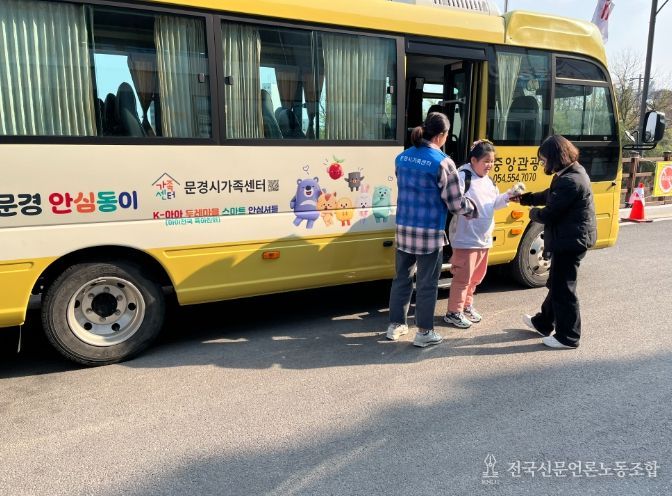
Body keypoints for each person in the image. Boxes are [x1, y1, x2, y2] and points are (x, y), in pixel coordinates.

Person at [386, 112, 477, 347]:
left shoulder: (402, 158)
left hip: (404, 228)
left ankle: (396, 325)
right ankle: (424, 332)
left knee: (402, 278)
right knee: (427, 283)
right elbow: (455, 204)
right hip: (429, 232)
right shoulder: (443, 162)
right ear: (441, 135)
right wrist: (473, 208)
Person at [511, 135, 597, 349]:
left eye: (544, 160)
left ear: (556, 158)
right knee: (557, 284)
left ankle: (568, 337)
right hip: (570, 237)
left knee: (564, 289)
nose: (542, 164)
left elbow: (549, 213)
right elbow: (551, 195)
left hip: (571, 241)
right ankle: (543, 323)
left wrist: (531, 212)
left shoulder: (570, 180)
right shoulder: (571, 172)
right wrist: (527, 198)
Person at [443, 139, 523, 329]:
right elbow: (454, 202)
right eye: (486, 161)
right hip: (465, 238)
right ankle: (453, 312)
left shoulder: (489, 181)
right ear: (473, 160)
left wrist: (508, 196)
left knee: (476, 277)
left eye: (492, 161)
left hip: (483, 238)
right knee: (463, 278)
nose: (490, 165)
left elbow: (494, 204)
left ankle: (466, 306)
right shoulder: (462, 176)